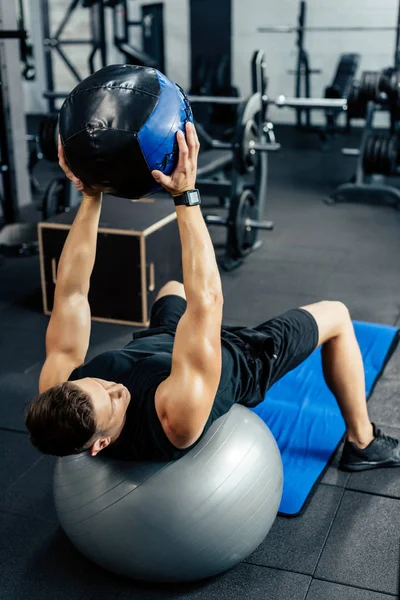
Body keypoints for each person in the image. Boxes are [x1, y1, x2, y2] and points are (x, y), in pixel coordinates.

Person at [25, 123, 400, 471]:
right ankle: (362, 442)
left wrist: (90, 195)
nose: (114, 386)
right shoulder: (174, 417)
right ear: (100, 445)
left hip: (162, 347)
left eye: (98, 381)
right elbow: (207, 303)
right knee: (336, 315)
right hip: (237, 357)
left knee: (171, 287)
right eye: (113, 399)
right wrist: (186, 194)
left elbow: (71, 292)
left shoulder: (59, 386)